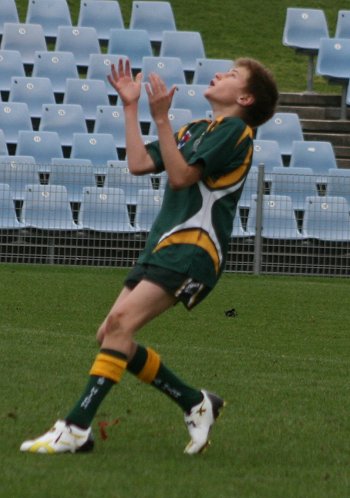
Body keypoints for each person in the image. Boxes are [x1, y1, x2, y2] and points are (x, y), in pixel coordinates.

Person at [20, 57, 278, 455]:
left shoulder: (236, 130)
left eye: (231, 75)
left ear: (244, 97)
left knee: (120, 325)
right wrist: (131, 106)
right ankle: (195, 401)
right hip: (164, 245)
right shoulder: (198, 129)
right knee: (110, 335)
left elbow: (181, 177)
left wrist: (160, 118)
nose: (219, 74)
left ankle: (74, 428)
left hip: (194, 250)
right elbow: (140, 163)